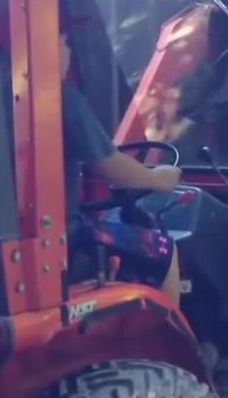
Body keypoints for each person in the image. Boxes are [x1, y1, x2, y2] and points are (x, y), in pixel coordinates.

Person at [56, 29, 186, 306]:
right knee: (164, 251)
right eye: (61, 37)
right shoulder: (61, 100)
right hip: (65, 237)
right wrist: (156, 179)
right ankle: (170, 345)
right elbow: (110, 165)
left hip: (36, 236)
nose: (67, 43)